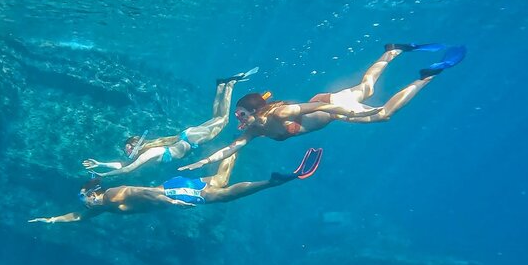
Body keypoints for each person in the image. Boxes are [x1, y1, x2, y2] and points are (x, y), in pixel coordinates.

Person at [179, 43, 465, 171]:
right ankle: (391, 51)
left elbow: (320, 109)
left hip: (331, 107)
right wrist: (203, 162)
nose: (238, 120)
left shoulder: (282, 113)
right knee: (367, 89)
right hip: (330, 109)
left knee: (383, 114)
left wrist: (357, 113)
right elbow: (232, 148)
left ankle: (426, 77)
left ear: (255, 112)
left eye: (241, 114)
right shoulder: (256, 131)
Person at [29, 148, 322, 224]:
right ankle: (238, 147)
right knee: (219, 180)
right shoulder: (100, 206)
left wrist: (172, 201)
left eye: (86, 199)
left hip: (171, 191)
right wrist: (53, 219)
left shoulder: (113, 195)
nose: (86, 204)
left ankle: (271, 182)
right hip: (172, 186)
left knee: (221, 196)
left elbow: (143, 193)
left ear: (93, 193)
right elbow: (79, 217)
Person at [82, 68, 258, 178]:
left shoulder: (150, 152)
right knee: (216, 118)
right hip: (189, 137)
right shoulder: (147, 150)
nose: (126, 151)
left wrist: (104, 175)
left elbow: (128, 170)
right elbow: (124, 164)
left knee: (223, 120)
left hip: (192, 140)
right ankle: (221, 86)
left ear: (135, 144)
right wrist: (101, 163)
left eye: (127, 147)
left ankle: (231, 84)